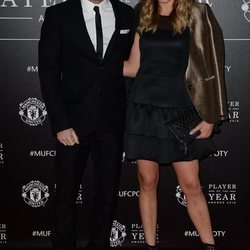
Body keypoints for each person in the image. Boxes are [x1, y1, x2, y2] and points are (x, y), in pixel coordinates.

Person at [123, 0, 228, 249]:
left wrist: (211, 116)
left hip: (181, 110)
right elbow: (133, 67)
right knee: (147, 182)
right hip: (144, 110)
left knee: (191, 184)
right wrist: (95, 64)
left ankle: (209, 245)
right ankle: (150, 245)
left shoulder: (198, 12)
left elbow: (214, 64)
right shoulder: (142, 12)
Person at [38, 0, 134, 249]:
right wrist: (60, 123)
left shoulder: (126, 13)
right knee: (65, 195)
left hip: (111, 122)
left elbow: (125, 65)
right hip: (72, 122)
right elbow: (48, 73)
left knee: (106, 195)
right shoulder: (58, 14)